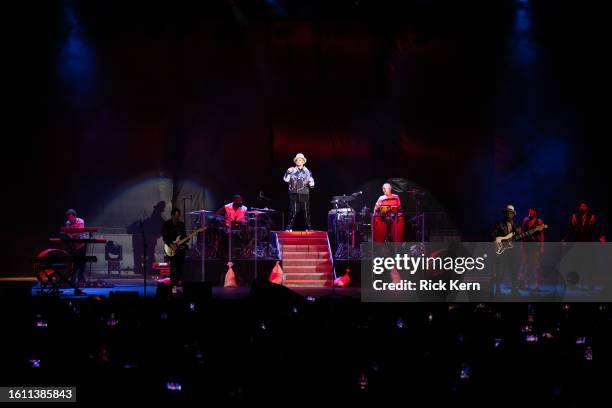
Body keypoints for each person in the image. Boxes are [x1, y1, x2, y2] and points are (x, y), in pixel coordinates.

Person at [490, 204, 521, 296]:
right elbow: (492, 235)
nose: (508, 214)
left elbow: (517, 238)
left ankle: (514, 289)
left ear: (513, 214)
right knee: (501, 270)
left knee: (513, 269)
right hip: (502, 250)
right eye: (507, 212)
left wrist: (520, 236)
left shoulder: (516, 225)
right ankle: (498, 288)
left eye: (510, 212)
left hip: (512, 251)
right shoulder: (499, 223)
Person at [283, 153, 315, 231]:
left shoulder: (307, 171)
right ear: (295, 161)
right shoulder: (291, 170)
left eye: (300, 160)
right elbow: (286, 180)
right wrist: (287, 172)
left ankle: (308, 227)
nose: (299, 161)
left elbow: (312, 185)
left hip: (304, 193)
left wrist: (311, 182)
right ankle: (289, 227)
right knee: (293, 211)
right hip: (293, 193)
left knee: (305, 211)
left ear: (303, 161)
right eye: (297, 160)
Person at [519, 207, 545, 292]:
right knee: (524, 263)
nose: (530, 212)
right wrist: (521, 244)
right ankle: (524, 283)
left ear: (535, 212)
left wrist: (542, 246)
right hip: (526, 245)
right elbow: (522, 233)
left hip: (535, 245)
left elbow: (541, 235)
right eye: (529, 210)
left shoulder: (539, 221)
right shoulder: (525, 220)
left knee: (536, 265)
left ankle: (537, 285)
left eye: (531, 211)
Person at [161, 208, 187, 288]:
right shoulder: (167, 224)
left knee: (181, 266)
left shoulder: (181, 225)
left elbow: (184, 236)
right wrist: (171, 244)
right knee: (174, 266)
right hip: (170, 247)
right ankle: (173, 285)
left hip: (180, 248)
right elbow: (165, 237)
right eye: (175, 216)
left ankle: (177, 282)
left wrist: (186, 239)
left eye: (178, 216)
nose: (177, 218)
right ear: (172, 215)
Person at [65, 209, 87, 286]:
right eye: (69, 217)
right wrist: (71, 235)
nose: (70, 219)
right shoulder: (67, 223)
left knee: (82, 261)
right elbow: (67, 233)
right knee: (74, 262)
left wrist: (73, 235)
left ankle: (81, 277)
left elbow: (79, 232)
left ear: (75, 216)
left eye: (71, 217)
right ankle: (73, 278)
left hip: (81, 244)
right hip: (73, 244)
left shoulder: (80, 221)